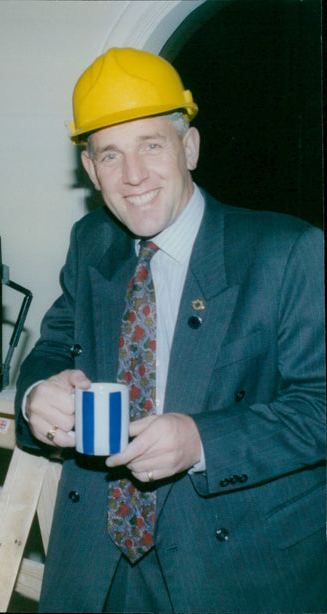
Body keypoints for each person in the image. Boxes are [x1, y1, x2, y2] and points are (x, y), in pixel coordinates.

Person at [16, 48, 325, 612]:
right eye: (110, 155)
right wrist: (38, 395)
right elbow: (56, 345)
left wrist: (204, 441)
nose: (132, 177)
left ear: (190, 147)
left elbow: (320, 406)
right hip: (98, 559)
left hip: (237, 565)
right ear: (90, 170)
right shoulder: (92, 243)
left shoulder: (287, 252)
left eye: (151, 145)